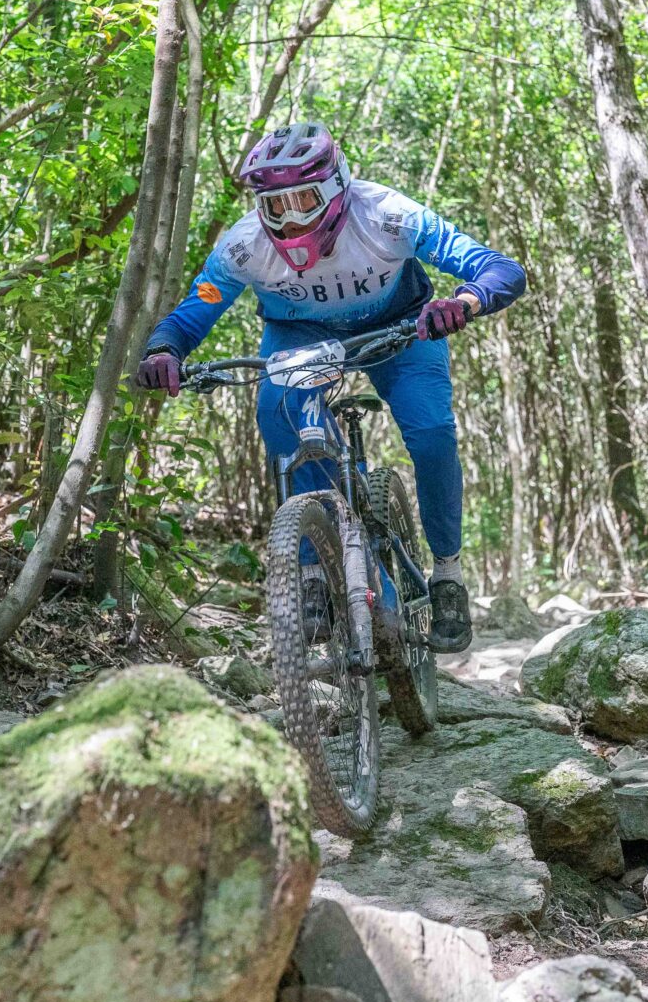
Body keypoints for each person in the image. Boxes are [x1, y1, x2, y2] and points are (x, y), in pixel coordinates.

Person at [136, 121, 526, 652]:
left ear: (337, 186)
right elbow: (194, 310)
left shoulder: (387, 214)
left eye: (303, 199)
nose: (290, 217)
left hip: (401, 327)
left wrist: (464, 301)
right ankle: (316, 569)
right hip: (301, 336)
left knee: (432, 433)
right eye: (274, 206)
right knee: (278, 415)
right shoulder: (244, 245)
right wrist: (164, 350)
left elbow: (500, 268)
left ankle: (447, 573)